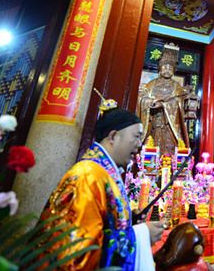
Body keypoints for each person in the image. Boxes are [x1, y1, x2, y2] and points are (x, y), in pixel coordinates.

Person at [39, 100, 166, 270]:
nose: (139, 145)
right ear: (113, 136)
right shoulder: (88, 175)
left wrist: (130, 220)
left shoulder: (102, 172)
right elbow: (79, 250)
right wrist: (141, 235)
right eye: (136, 137)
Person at [138, 43, 193, 157]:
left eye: (170, 68)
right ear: (159, 68)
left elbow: (179, 101)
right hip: (153, 123)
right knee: (151, 149)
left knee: (169, 150)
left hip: (169, 125)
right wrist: (149, 102)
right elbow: (142, 97)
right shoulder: (151, 84)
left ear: (174, 71)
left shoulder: (176, 86)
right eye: (164, 67)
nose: (167, 70)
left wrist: (164, 105)